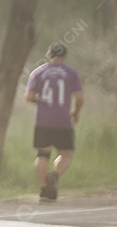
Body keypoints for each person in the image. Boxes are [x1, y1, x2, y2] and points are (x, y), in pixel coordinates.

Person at [25, 43, 83, 201]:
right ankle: (54, 175)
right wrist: (76, 113)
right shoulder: (71, 73)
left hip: (43, 120)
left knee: (43, 155)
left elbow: (29, 96)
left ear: (48, 55)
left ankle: (44, 189)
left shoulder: (38, 72)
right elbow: (79, 98)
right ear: (64, 56)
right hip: (63, 120)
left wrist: (41, 103)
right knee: (66, 154)